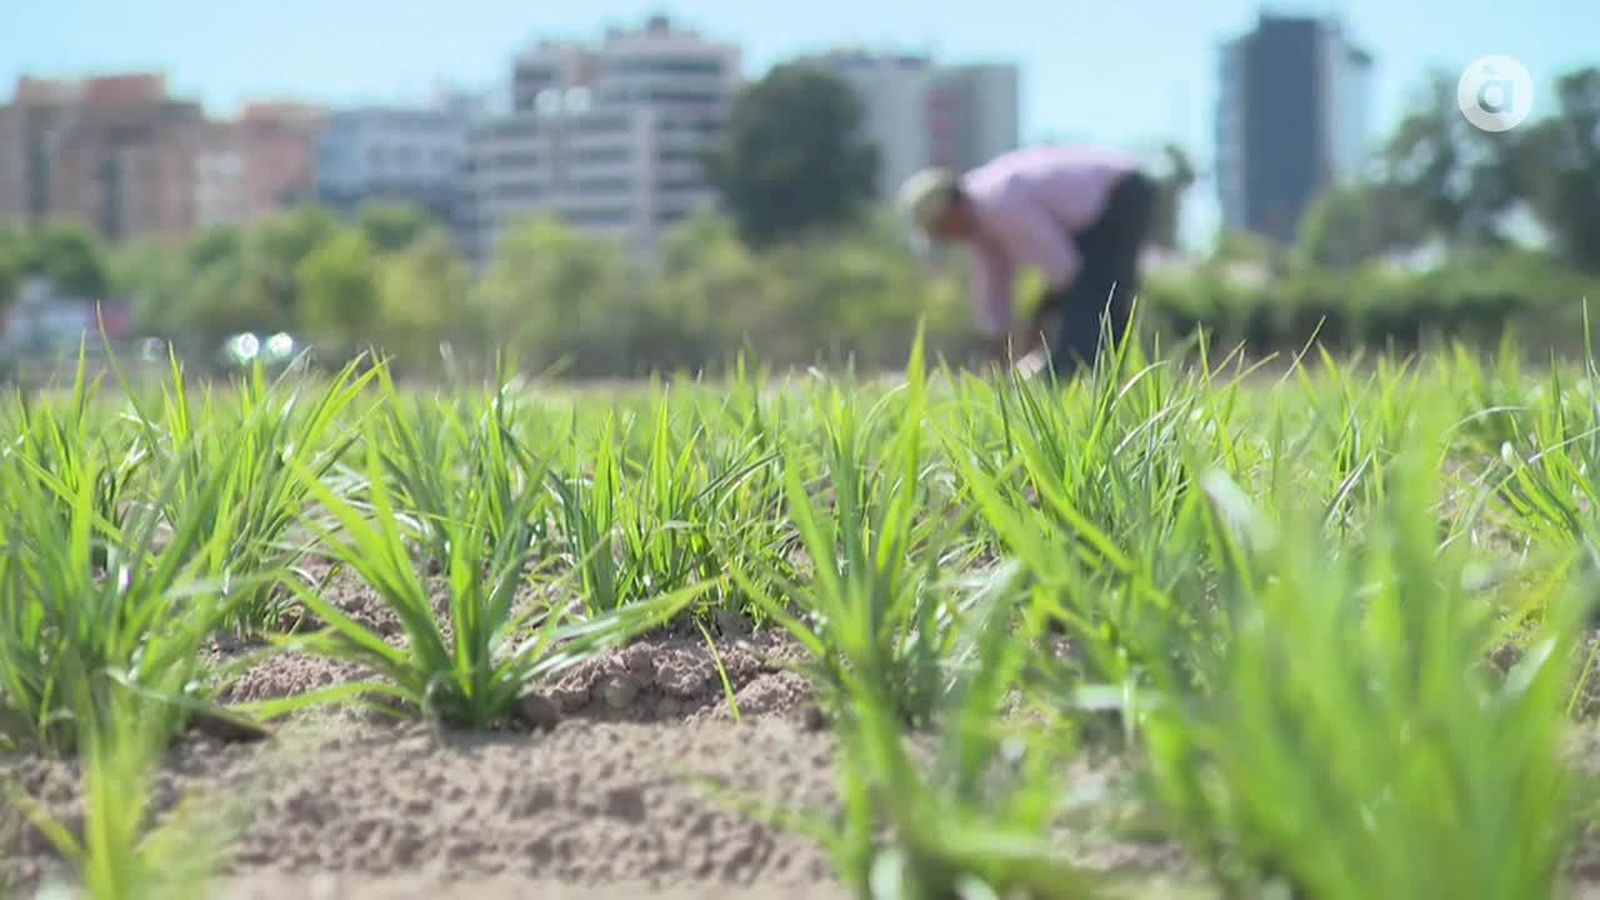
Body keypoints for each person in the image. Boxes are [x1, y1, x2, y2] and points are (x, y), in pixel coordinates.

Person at [898, 145, 1157, 379]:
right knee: (1089, 304)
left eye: (941, 229)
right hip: (1088, 218)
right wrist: (997, 359)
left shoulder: (1001, 204)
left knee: (1094, 302)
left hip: (1118, 194)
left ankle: (1078, 378)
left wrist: (1037, 325)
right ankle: (1094, 377)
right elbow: (994, 296)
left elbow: (1064, 269)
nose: (946, 239)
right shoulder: (979, 229)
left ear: (953, 210)